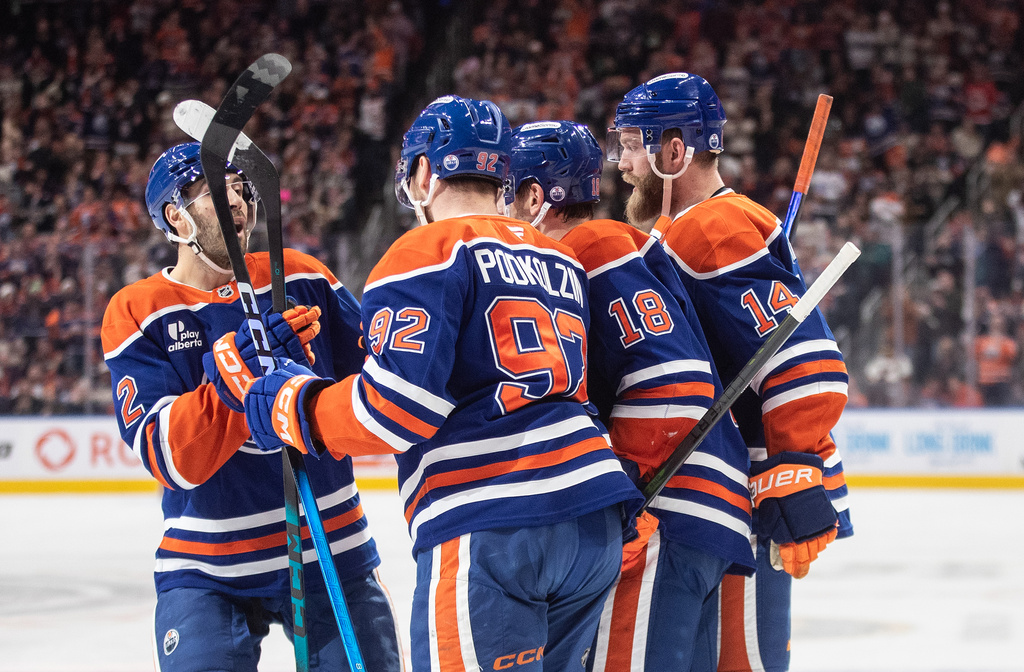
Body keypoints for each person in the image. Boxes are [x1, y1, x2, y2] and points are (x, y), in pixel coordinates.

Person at [242, 95, 643, 672]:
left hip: (493, 520)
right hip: (594, 519)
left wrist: (291, 404)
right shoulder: (556, 258)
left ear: (424, 173)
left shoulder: (424, 250)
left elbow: (396, 410)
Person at [100, 142, 403, 672]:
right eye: (218, 193)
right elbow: (170, 459)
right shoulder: (138, 311)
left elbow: (381, 388)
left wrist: (302, 389)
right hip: (208, 564)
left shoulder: (300, 278)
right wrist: (232, 386)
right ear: (176, 217)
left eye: (242, 189)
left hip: (329, 546)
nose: (238, 202)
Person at [607, 73, 853, 672]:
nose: (622, 164)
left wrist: (794, 459)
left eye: (634, 146)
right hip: (723, 494)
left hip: (747, 492)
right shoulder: (682, 231)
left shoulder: (713, 228)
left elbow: (803, 355)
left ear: (674, 152)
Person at [508, 120, 754, 671]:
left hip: (664, 519)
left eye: (504, 191)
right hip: (696, 517)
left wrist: (618, 493)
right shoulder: (616, 244)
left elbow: (674, 383)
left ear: (535, 196)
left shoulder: (586, 248)